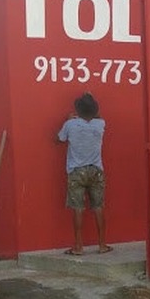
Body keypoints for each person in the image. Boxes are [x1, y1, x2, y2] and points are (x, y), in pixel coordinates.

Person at [57, 93, 112, 256]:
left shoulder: (70, 124)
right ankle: (102, 244)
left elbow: (59, 139)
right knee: (98, 207)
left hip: (76, 171)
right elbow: (98, 116)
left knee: (77, 209)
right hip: (96, 170)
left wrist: (69, 119)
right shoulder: (100, 124)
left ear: (78, 110)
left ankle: (78, 246)